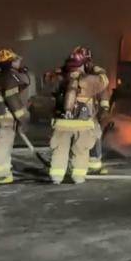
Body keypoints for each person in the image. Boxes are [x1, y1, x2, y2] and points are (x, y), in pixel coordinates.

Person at [48, 51, 109, 184]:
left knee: (59, 150)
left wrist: (62, 70)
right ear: (84, 64)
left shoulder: (60, 78)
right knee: (81, 150)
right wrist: (95, 68)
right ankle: (78, 177)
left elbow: (48, 78)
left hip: (61, 122)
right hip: (82, 123)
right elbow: (104, 80)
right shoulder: (90, 80)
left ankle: (56, 177)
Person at [0, 48, 30, 184]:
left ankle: (4, 171)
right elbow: (13, 100)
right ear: (10, 63)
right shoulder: (10, 78)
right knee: (3, 145)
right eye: (15, 60)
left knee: (3, 144)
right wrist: (22, 118)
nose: (18, 63)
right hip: (7, 116)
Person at [71, 46, 111, 174]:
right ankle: (79, 163)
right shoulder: (78, 74)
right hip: (79, 111)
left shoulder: (87, 75)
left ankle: (93, 163)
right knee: (81, 136)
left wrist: (104, 108)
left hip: (87, 111)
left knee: (94, 134)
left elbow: (103, 92)